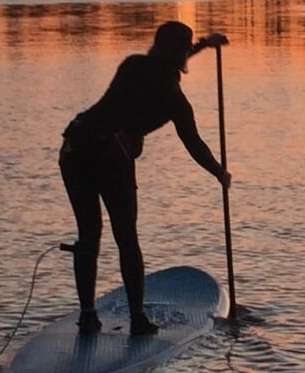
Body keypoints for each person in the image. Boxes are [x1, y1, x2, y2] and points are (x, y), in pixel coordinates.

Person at [60, 20, 228, 335]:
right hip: (108, 158)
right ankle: (138, 319)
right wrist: (219, 172)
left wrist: (204, 44)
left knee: (88, 235)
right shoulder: (175, 101)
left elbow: (166, 61)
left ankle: (87, 315)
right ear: (178, 55)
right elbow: (193, 144)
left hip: (74, 148)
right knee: (126, 238)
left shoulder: (134, 65)